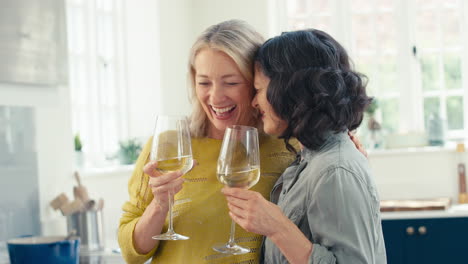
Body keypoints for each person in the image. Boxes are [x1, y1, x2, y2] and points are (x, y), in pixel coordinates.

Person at [118, 20, 299, 264]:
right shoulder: (167, 146)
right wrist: (159, 206)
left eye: (231, 82)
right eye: (204, 82)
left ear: (257, 83)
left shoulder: (288, 147)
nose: (215, 97)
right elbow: (131, 253)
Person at [222, 29, 387, 263]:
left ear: (289, 90)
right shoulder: (312, 160)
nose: (253, 102)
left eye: (258, 90)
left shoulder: (334, 170)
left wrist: (278, 228)